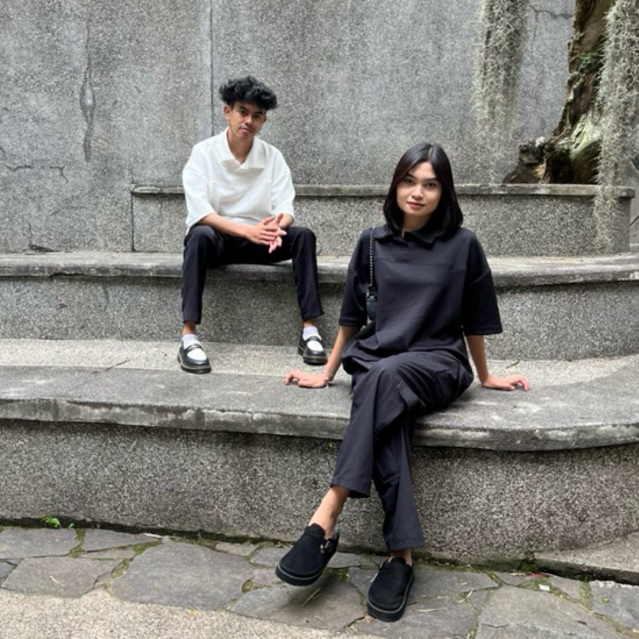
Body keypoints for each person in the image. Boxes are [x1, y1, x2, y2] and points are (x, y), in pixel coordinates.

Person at [275, 143, 530, 622]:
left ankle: (326, 515)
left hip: (438, 362)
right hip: (378, 360)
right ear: (395, 185)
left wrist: (486, 375)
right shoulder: (371, 244)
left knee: (382, 379)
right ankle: (400, 556)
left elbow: (474, 320)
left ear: (444, 191)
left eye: (430, 184)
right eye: (409, 181)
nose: (418, 192)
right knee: (383, 394)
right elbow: (351, 318)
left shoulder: (463, 245)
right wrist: (326, 373)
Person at [178, 76, 326, 373]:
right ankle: (189, 336)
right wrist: (248, 230)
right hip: (218, 241)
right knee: (198, 235)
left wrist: (276, 228)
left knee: (303, 236)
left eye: (257, 116)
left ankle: (310, 330)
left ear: (263, 121)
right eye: (242, 112)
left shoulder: (272, 157)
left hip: (261, 241)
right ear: (227, 112)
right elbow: (201, 212)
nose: (249, 121)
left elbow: (285, 208)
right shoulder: (204, 153)